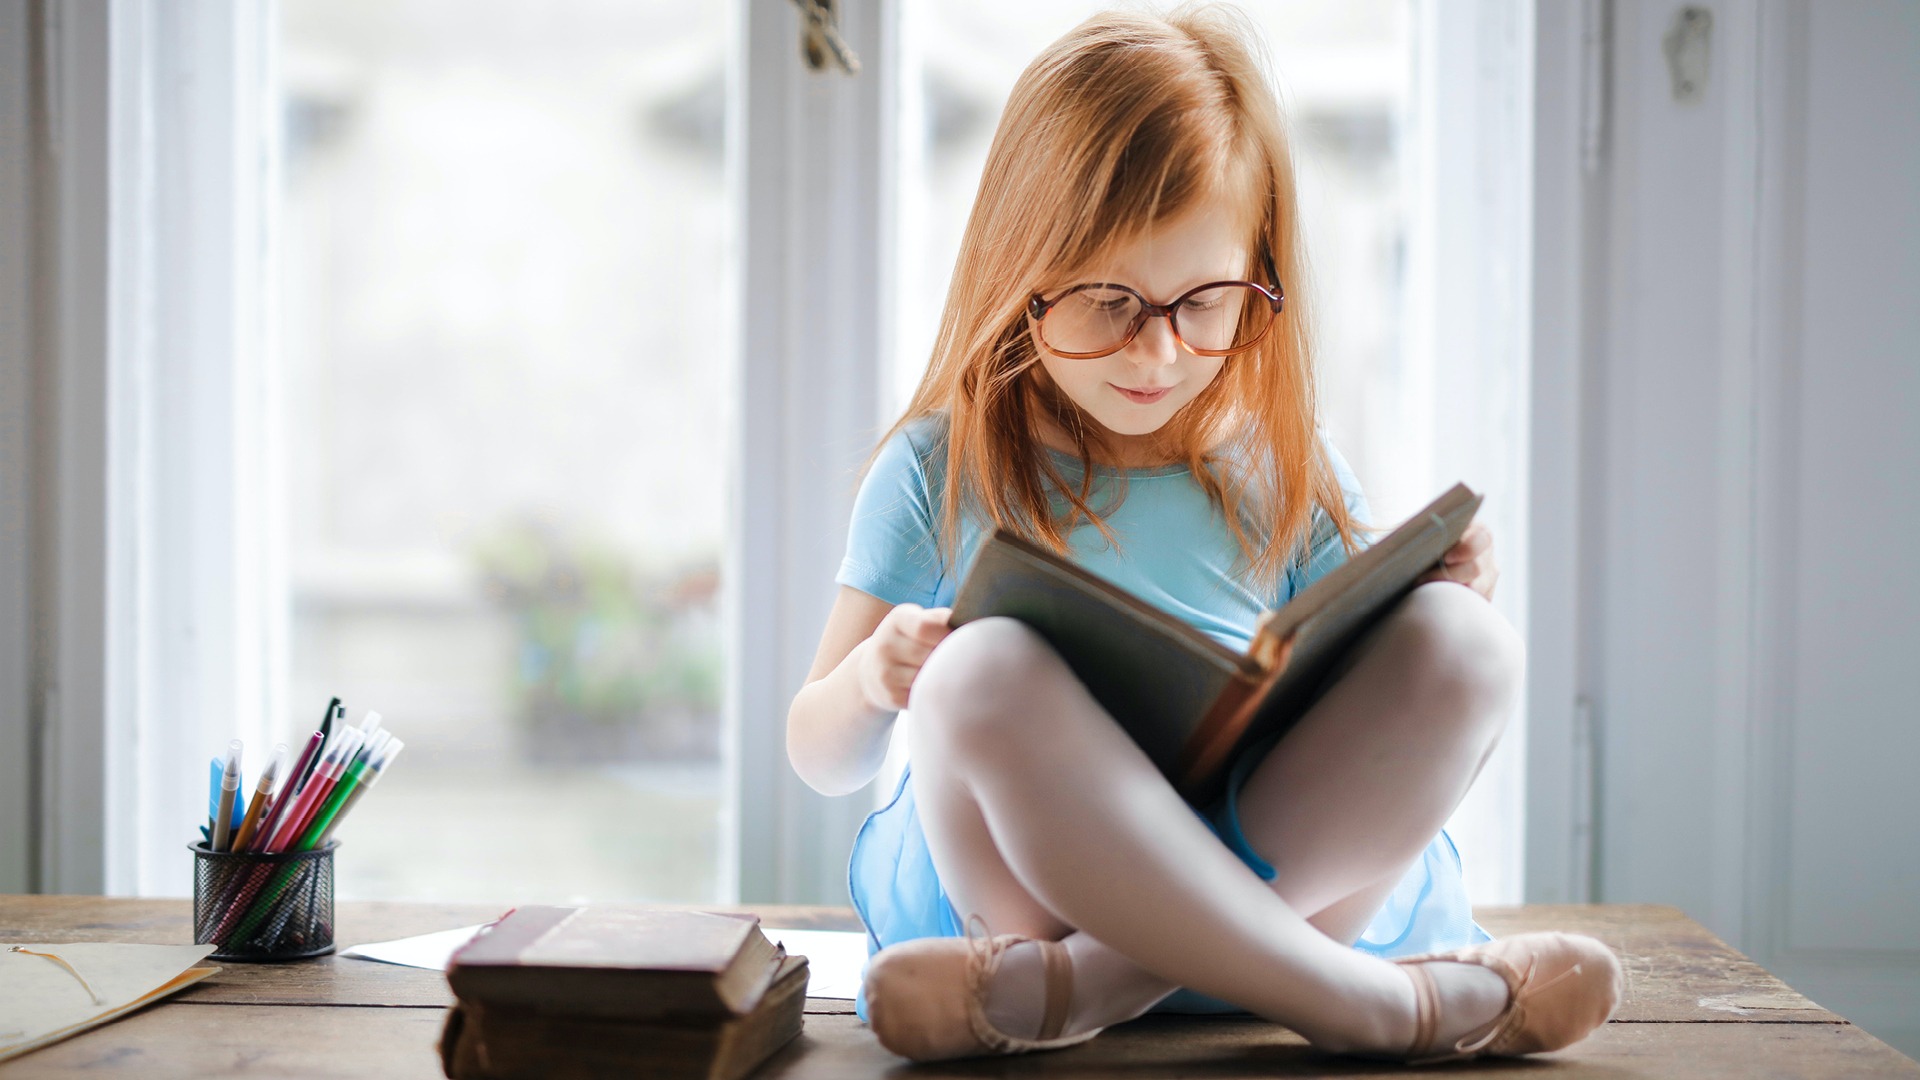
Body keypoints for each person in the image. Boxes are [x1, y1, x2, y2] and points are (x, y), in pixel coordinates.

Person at [785, 4, 1621, 1066]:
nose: (1160, 353)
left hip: (1255, 897)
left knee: (1468, 642)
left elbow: (1378, 684)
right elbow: (816, 755)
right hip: (1027, 902)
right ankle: (1370, 1008)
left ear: (1257, 278)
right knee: (974, 672)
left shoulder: (1281, 461)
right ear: (1019, 271)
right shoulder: (940, 466)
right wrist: (874, 680)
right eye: (1105, 303)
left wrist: (1445, 586)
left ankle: (1096, 987)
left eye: (1207, 303)